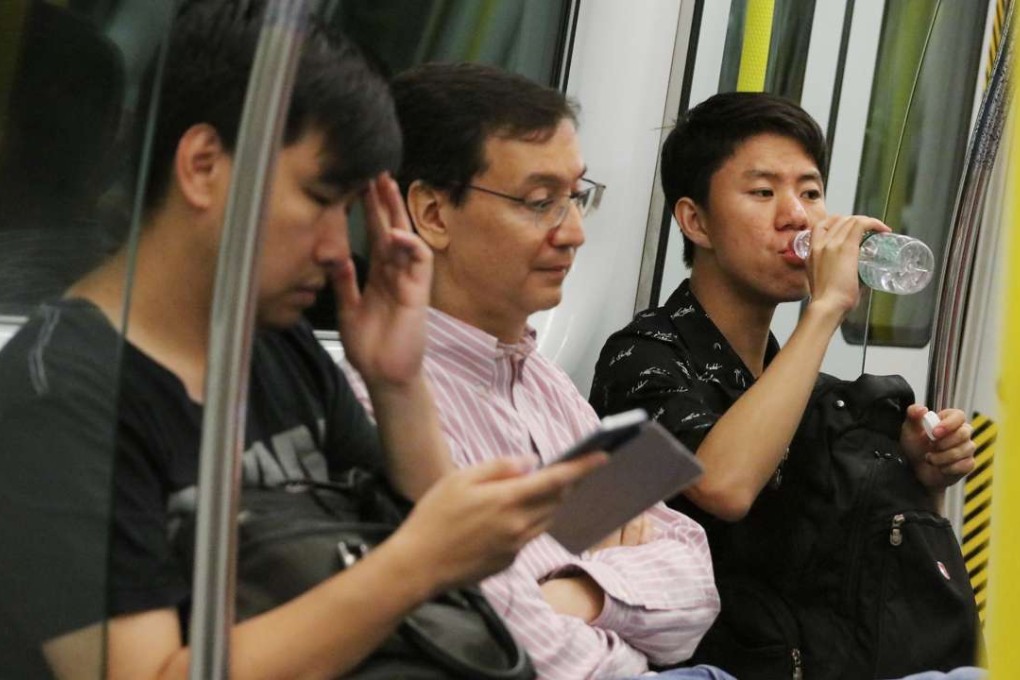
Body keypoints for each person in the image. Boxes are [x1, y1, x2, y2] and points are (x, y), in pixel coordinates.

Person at [0, 2, 606, 678]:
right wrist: (415, 565)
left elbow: (440, 550)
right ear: (203, 165)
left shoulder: (276, 350)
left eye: (348, 212)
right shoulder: (60, 396)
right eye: (320, 199)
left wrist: (397, 384)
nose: (334, 248)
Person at [342, 62, 724, 680]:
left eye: (577, 197)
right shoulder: (382, 401)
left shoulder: (540, 380)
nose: (573, 233)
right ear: (433, 214)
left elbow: (694, 578)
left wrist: (578, 591)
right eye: (541, 202)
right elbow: (507, 646)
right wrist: (617, 605)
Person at [590, 92, 980, 678]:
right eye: (763, 192)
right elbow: (723, 486)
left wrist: (925, 483)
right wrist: (825, 310)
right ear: (696, 221)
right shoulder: (643, 357)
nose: (797, 216)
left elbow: (852, 569)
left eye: (811, 192)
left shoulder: (808, 388)